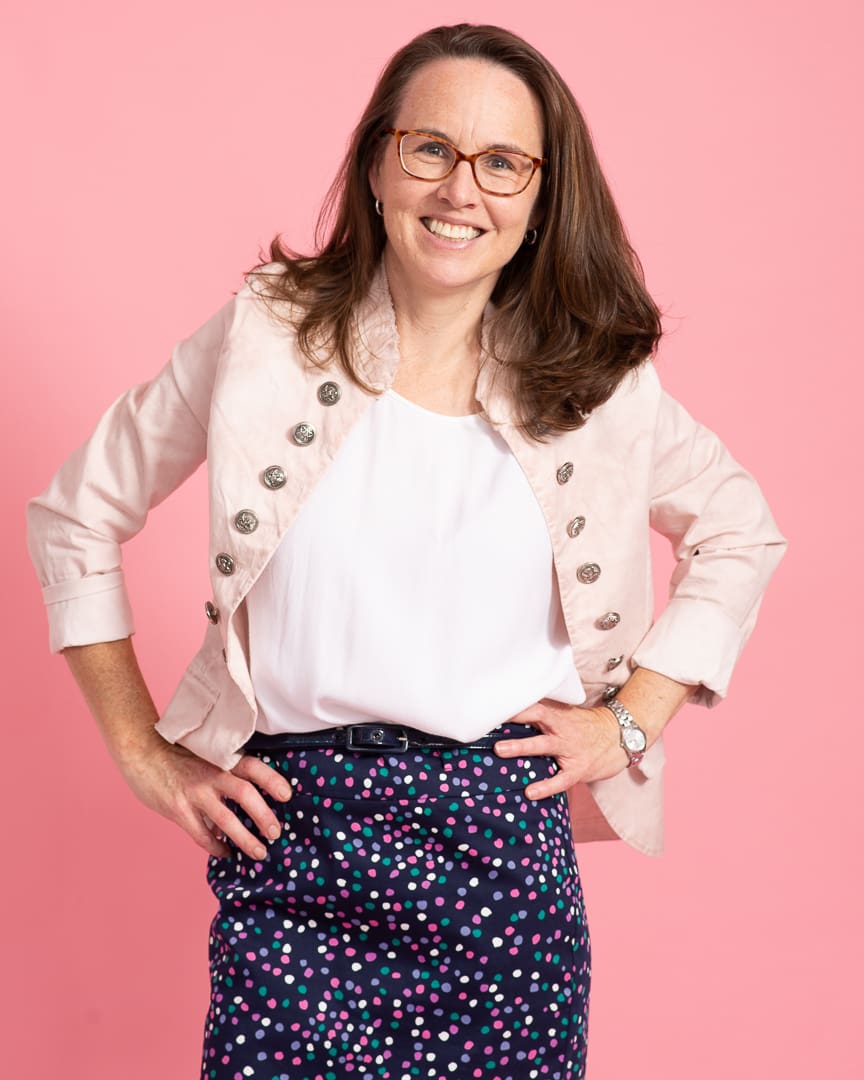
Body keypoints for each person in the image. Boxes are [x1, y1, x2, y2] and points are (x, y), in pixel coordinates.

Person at [26, 22, 786, 1080]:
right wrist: (144, 753)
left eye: (502, 162)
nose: (459, 189)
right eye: (430, 148)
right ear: (379, 162)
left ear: (538, 197)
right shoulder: (264, 338)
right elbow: (75, 516)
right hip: (293, 844)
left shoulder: (601, 390)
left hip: (502, 865)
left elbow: (739, 529)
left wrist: (631, 721)